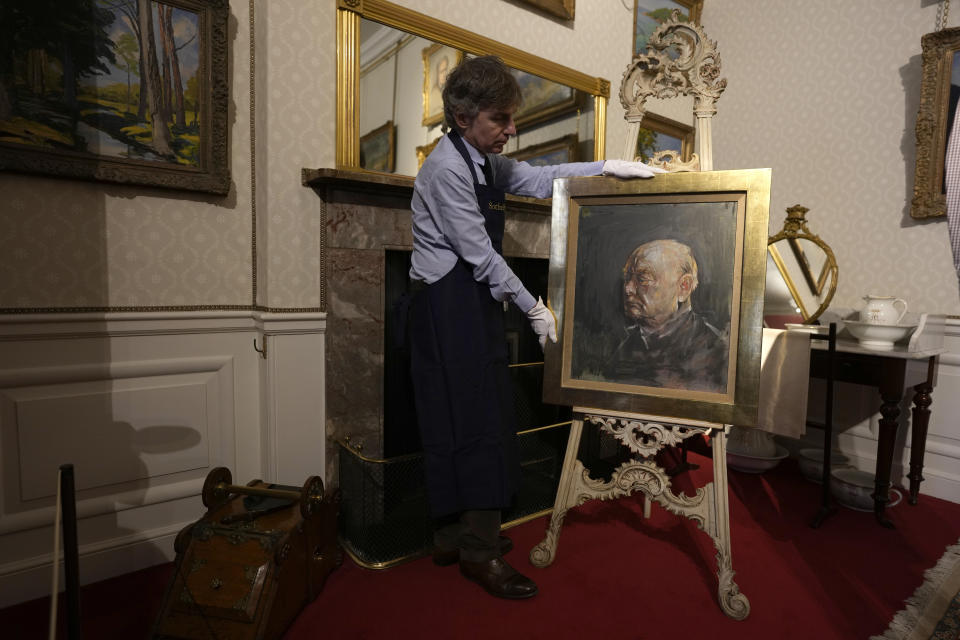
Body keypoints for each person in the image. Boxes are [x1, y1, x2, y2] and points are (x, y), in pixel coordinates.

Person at [404, 54, 665, 600]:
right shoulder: (447, 169)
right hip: (446, 307)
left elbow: (541, 176)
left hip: (465, 304)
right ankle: (477, 552)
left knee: (470, 415)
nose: (511, 129)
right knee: (472, 421)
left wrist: (607, 167)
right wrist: (531, 307)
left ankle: (453, 535)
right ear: (462, 114)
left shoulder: (481, 161)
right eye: (500, 118)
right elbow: (481, 256)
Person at [600, 239, 728, 392]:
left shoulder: (716, 352)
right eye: (627, 278)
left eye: (642, 279)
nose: (628, 289)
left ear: (683, 287)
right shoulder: (621, 348)